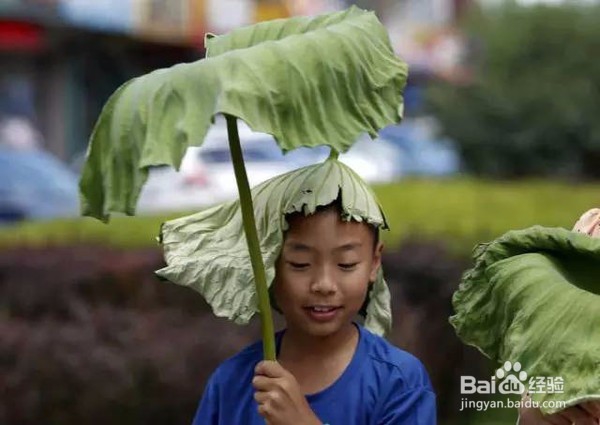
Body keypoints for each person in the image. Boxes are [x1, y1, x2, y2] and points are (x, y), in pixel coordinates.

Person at [191, 200, 437, 424]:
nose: (323, 285)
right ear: (269, 264)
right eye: (300, 264)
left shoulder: (399, 382)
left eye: (346, 264)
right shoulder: (231, 382)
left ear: (374, 263)